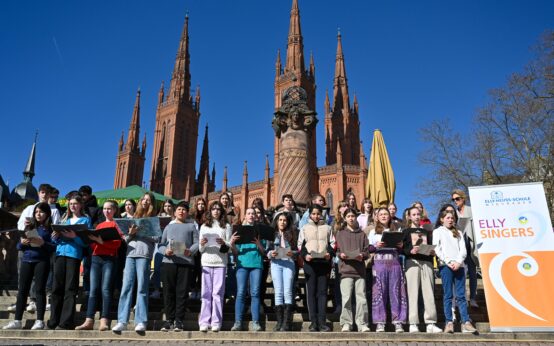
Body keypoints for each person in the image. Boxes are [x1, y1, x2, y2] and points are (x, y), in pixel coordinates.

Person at [3, 203, 55, 330]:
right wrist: (22, 242)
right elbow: (18, 247)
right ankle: (17, 321)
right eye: (36, 211)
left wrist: (43, 243)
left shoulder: (51, 229)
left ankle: (40, 321)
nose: (38, 214)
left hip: (41, 261)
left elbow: (54, 247)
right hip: (27, 260)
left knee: (39, 290)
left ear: (47, 214)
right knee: (22, 291)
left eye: (41, 212)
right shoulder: (29, 227)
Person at [112, 192, 159, 332]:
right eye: (143, 199)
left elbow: (157, 239)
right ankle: (122, 321)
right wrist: (131, 233)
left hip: (144, 254)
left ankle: (141, 321)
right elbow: (125, 240)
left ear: (152, 204)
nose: (145, 202)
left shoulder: (153, 219)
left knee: (142, 289)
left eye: (148, 200)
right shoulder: (133, 218)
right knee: (126, 287)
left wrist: (144, 232)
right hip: (130, 254)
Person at [76, 200, 123, 331]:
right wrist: (93, 240)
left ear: (114, 210)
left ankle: (104, 320)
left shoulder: (117, 224)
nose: (106, 211)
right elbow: (92, 244)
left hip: (109, 258)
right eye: (105, 208)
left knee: (106, 289)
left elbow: (117, 244)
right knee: (93, 290)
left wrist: (101, 241)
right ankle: (89, 320)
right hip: (96, 258)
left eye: (109, 209)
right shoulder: (99, 225)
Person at [48, 194, 91, 330]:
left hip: (74, 255)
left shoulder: (85, 220)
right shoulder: (64, 219)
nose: (73, 206)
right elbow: (56, 240)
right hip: (60, 254)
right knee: (56, 288)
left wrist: (74, 237)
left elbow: (86, 243)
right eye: (71, 204)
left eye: (75, 203)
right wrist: (54, 237)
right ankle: (53, 321)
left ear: (80, 205)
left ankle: (65, 322)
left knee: (70, 289)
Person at [433, 210, 477, 334]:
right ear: (442, 219)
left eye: (452, 218)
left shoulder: (458, 232)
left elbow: (463, 250)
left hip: (459, 266)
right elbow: (437, 248)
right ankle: (449, 323)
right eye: (448, 217)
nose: (450, 220)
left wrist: (458, 262)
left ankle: (466, 322)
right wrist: (448, 262)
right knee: (448, 295)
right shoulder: (438, 231)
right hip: (446, 266)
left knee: (461, 296)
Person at [157, 201, 199, 332]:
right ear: (175, 212)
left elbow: (197, 243)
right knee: (168, 291)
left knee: (182, 292)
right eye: (179, 209)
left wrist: (190, 251)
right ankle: (169, 320)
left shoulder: (191, 226)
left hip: (186, 262)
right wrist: (165, 251)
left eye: (184, 210)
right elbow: (161, 244)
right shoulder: (169, 227)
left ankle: (179, 321)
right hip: (169, 262)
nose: (181, 211)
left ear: (187, 213)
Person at [402, 206, 442, 333]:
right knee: (412, 293)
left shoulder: (427, 231)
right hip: (412, 263)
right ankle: (413, 323)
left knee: (429, 293)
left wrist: (432, 252)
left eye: (418, 214)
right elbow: (403, 249)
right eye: (413, 214)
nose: (416, 216)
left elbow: (432, 246)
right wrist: (410, 251)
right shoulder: (406, 232)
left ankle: (431, 323)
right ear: (409, 217)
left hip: (427, 262)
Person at [368, 207, 407, 333]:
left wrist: (401, 246)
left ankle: (398, 322)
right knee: (379, 292)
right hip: (379, 263)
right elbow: (368, 248)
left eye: (386, 214)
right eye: (381, 214)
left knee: (396, 292)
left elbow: (401, 249)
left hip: (394, 263)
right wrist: (375, 246)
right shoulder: (373, 231)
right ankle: (380, 322)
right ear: (377, 217)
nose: (384, 216)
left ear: (390, 216)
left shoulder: (397, 229)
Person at [298, 204, 335, 332]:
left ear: (321, 214)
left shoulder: (328, 228)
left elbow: (332, 244)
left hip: (324, 264)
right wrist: (305, 255)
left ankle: (322, 322)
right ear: (309, 214)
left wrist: (329, 253)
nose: (316, 216)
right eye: (313, 213)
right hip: (310, 264)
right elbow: (300, 245)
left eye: (318, 214)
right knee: (311, 294)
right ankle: (313, 322)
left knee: (323, 293)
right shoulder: (304, 228)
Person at [198, 201, 232, 332]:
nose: (216, 211)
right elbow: (201, 249)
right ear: (210, 211)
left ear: (222, 211)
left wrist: (224, 243)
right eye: (213, 209)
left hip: (220, 262)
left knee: (217, 293)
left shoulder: (226, 226)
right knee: (205, 293)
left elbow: (229, 248)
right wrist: (202, 243)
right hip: (206, 261)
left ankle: (216, 321)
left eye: (218, 209)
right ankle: (204, 321)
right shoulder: (204, 227)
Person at [230, 208, 266, 332]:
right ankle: (238, 322)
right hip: (242, 264)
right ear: (245, 216)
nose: (251, 215)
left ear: (256, 216)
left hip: (256, 264)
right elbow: (236, 252)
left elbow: (263, 252)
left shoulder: (260, 230)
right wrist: (233, 244)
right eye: (249, 213)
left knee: (255, 292)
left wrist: (258, 244)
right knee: (240, 293)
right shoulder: (239, 230)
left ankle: (256, 322)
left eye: (253, 214)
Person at [335, 208, 370, 332]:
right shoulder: (340, 233)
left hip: (359, 270)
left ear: (356, 218)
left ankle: (362, 323)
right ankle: (346, 323)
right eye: (348, 216)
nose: (351, 218)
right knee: (347, 298)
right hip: (345, 270)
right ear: (345, 218)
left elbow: (367, 250)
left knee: (361, 298)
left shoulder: (362, 234)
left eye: (353, 216)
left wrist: (362, 255)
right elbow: (337, 250)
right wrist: (341, 255)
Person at [267, 211, 297, 331]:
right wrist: (271, 253)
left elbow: (297, 250)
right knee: (278, 291)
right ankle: (279, 322)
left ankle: (287, 322)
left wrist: (292, 253)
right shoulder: (272, 234)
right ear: (276, 221)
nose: (282, 222)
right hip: (276, 263)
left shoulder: (292, 233)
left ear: (287, 222)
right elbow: (267, 250)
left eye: (284, 220)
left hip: (288, 263)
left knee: (288, 291)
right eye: (280, 220)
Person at [451, 189, 479, 309]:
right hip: (459, 247)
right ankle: (459, 298)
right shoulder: (453, 214)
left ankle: (472, 298)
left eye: (457, 199)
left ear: (463, 199)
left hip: (470, 245)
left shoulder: (471, 210)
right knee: (459, 274)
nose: (455, 201)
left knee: (473, 273)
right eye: (453, 199)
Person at [151, 199, 176, 300]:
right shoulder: (159, 217)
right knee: (157, 268)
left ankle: (169, 291)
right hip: (160, 244)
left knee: (170, 269)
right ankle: (157, 289)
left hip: (173, 244)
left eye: (169, 206)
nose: (167, 208)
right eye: (165, 206)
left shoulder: (176, 218)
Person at [190, 197, 207, 301]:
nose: (201, 205)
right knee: (193, 270)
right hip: (194, 246)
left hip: (204, 247)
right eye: (199, 204)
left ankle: (200, 289)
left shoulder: (207, 218)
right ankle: (193, 289)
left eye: (202, 204)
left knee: (201, 270)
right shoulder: (192, 218)